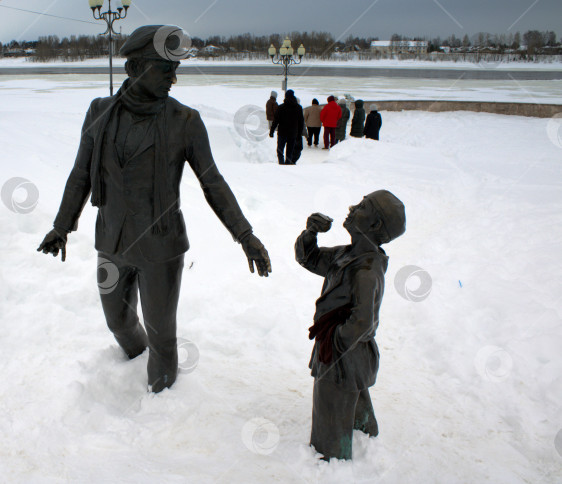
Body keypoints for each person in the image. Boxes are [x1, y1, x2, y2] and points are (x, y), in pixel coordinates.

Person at [37, 25, 272, 394]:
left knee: (163, 336)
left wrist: (245, 234)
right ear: (136, 69)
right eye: (166, 69)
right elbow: (81, 173)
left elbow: (213, 182)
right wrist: (61, 226)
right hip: (111, 243)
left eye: (175, 70)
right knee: (118, 322)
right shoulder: (99, 112)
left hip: (161, 248)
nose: (174, 79)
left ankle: (161, 403)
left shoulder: (184, 121)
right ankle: (133, 363)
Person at [295, 190, 406, 460]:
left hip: (341, 353)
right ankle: (363, 426)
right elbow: (309, 258)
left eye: (362, 206)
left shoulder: (366, 270)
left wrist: (334, 344)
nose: (352, 207)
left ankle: (330, 458)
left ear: (375, 225)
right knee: (353, 392)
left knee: (330, 407)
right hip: (343, 351)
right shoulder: (347, 255)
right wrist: (310, 233)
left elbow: (364, 322)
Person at [270, 89, 305, 165]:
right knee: (289, 151)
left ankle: (281, 164)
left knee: (280, 150)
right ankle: (288, 164)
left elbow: (276, 120)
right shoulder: (298, 108)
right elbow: (301, 122)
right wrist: (299, 134)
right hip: (293, 133)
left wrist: (272, 131)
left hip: (282, 132)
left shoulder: (281, 107)